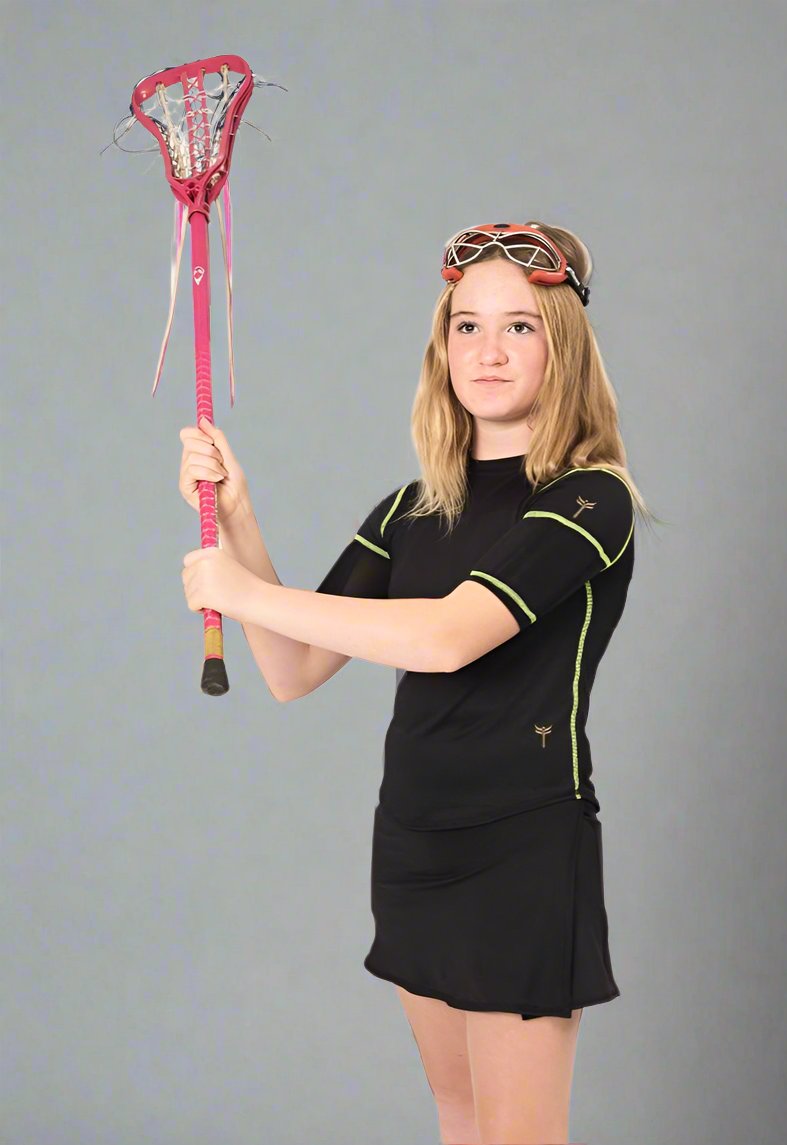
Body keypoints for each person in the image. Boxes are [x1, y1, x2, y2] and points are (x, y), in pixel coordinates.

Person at [178, 221, 655, 1145]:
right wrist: (239, 520)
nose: (487, 349)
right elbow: (292, 666)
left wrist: (238, 591)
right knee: (461, 1119)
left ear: (563, 343)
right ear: (442, 345)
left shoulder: (591, 498)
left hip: (522, 848)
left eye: (519, 326)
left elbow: (446, 638)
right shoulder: (411, 507)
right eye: (466, 325)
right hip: (413, 844)